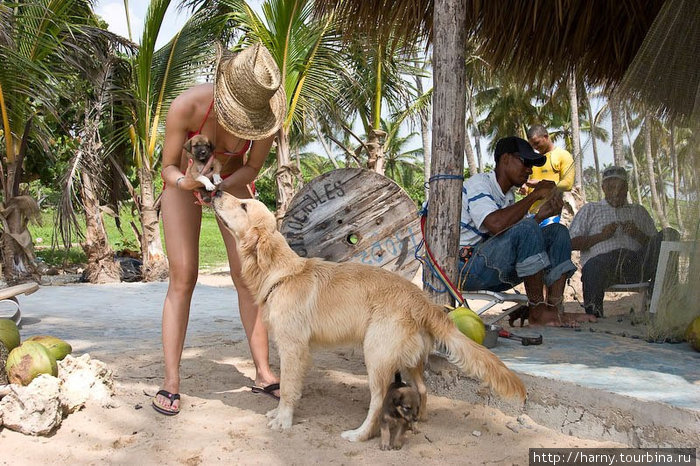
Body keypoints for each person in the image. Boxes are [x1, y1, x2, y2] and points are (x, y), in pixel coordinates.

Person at [153, 43, 287, 415]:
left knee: (248, 276)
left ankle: (263, 371)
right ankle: (171, 380)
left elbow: (251, 169)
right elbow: (167, 167)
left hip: (231, 182)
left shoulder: (265, 120)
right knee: (183, 274)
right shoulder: (187, 106)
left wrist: (221, 188)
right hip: (183, 181)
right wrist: (191, 184)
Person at [458, 136, 596, 327]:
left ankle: (553, 310)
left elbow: (515, 234)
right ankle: (537, 312)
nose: (530, 170)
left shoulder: (507, 197)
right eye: (525, 163)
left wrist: (540, 215)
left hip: (489, 263)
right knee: (528, 228)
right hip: (465, 268)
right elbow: (496, 224)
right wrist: (535, 196)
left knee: (557, 232)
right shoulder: (479, 184)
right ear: (505, 159)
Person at [569, 166, 680, 317]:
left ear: (627, 188)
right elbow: (572, 243)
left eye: (620, 187)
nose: (615, 192)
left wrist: (637, 235)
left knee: (670, 235)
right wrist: (601, 236)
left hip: (636, 264)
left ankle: (660, 308)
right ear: (603, 188)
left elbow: (657, 247)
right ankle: (594, 316)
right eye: (611, 187)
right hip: (604, 266)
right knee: (593, 266)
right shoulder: (590, 209)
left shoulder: (638, 211)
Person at [525, 124, 576, 222]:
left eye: (537, 143)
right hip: (531, 214)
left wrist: (541, 184)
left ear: (546, 137)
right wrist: (525, 187)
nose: (535, 147)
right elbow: (530, 183)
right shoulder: (534, 161)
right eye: (532, 146)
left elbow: (568, 184)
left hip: (550, 213)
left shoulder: (563, 155)